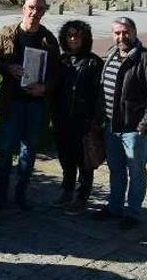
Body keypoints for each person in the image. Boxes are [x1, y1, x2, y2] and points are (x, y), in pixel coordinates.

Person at [0, 0, 60, 210]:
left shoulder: (49, 40)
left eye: (40, 9)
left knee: (28, 152)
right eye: (31, 8)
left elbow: (58, 73)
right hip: (11, 102)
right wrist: (7, 68)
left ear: (44, 11)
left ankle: (20, 195)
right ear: (23, 8)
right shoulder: (7, 33)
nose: (34, 12)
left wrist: (45, 88)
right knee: (4, 150)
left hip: (36, 104)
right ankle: (1, 195)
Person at [96, 17, 147, 229]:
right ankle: (115, 207)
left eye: (125, 32)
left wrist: (146, 125)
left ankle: (133, 213)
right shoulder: (111, 55)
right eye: (117, 33)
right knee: (116, 170)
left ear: (134, 32)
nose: (121, 37)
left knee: (136, 171)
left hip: (134, 129)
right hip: (111, 125)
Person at [54, 21, 103, 215]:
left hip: (84, 120)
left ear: (85, 38)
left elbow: (100, 94)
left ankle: (82, 197)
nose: (73, 38)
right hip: (62, 118)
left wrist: (96, 120)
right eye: (70, 35)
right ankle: (66, 190)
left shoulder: (93, 62)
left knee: (84, 161)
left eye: (78, 35)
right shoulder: (61, 61)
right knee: (66, 158)